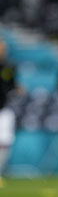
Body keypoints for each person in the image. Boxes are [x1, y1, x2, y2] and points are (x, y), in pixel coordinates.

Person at [0, 37, 18, 187]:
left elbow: (11, 85)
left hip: (4, 109)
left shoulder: (9, 66)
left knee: (4, 141)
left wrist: (17, 89)